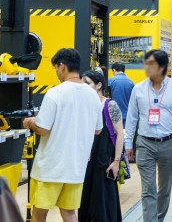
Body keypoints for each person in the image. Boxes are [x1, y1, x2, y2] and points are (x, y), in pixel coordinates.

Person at [22, 49, 102, 222]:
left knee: (39, 213)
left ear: (62, 66)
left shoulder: (55, 93)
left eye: (56, 68)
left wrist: (30, 122)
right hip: (76, 167)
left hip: (50, 168)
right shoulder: (93, 96)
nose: (57, 72)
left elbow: (42, 128)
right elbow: (98, 130)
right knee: (69, 212)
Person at [124, 50, 172, 222]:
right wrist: (128, 143)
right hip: (144, 144)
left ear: (162, 67)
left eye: (151, 64)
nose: (147, 67)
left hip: (168, 143)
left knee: (164, 189)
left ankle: (158, 218)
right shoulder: (138, 89)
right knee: (148, 189)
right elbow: (131, 118)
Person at [78, 70, 123, 222]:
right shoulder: (84, 105)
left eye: (87, 83)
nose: (84, 87)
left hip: (104, 161)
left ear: (99, 85)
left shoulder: (110, 105)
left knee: (104, 203)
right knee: (84, 202)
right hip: (86, 162)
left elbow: (119, 134)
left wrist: (116, 161)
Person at [109, 62, 135, 127]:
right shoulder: (131, 82)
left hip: (113, 115)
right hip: (127, 115)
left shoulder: (110, 81)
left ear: (114, 70)